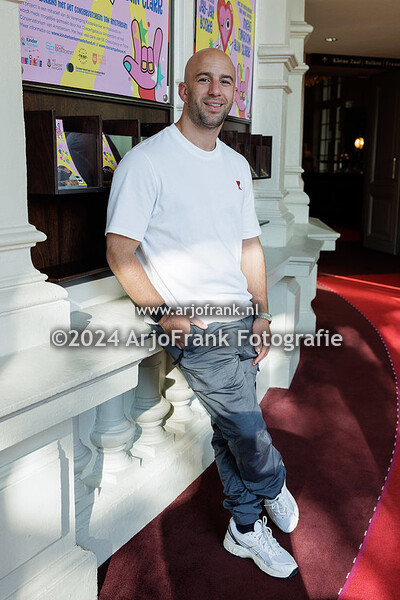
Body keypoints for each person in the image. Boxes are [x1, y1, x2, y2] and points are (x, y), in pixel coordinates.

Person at [106, 48, 299, 579]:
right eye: (204, 80)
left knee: (229, 429)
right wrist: (164, 315)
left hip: (240, 316)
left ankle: (244, 528)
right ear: (183, 88)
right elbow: (120, 252)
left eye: (226, 82)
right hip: (197, 326)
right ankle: (273, 483)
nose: (216, 91)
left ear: (235, 91)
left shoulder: (235, 166)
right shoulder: (147, 162)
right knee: (246, 427)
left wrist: (262, 313)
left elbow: (249, 246)